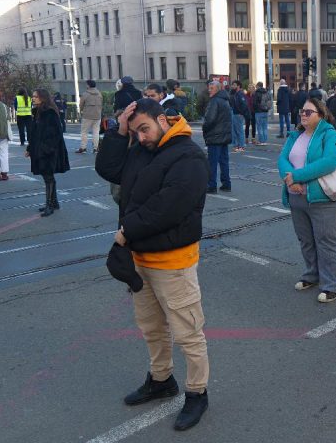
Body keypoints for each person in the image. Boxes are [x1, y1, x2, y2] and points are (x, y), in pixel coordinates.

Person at [95, 98, 210, 431]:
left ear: (163, 120)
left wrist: (125, 232)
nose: (141, 137)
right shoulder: (141, 149)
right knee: (152, 327)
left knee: (188, 331)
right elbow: (108, 169)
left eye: (144, 128)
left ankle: (197, 392)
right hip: (140, 258)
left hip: (173, 261)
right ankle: (161, 380)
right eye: (136, 131)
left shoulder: (188, 156)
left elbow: (168, 207)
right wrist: (120, 131)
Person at [278, 98, 336, 302]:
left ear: (321, 114)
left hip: (323, 199)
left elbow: (330, 161)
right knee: (306, 240)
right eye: (302, 111)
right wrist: (290, 181)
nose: (303, 115)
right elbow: (282, 159)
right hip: (296, 197)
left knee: (328, 241)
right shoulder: (295, 135)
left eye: (309, 112)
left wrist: (297, 176)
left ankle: (333, 284)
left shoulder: (329, 134)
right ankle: (312, 275)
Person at [26, 89, 70, 217]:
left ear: (42, 98)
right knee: (48, 177)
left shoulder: (49, 113)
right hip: (41, 149)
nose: (33, 98)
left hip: (48, 151)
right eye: (32, 96)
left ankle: (50, 205)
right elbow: (34, 133)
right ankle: (53, 202)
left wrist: (45, 149)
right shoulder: (39, 112)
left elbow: (56, 133)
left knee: (48, 177)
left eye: (35, 96)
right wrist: (30, 149)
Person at [202, 80, 232, 193]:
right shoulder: (225, 100)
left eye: (212, 88)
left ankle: (211, 185)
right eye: (209, 88)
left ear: (218, 89)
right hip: (224, 135)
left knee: (212, 163)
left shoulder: (215, 101)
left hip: (215, 136)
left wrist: (205, 129)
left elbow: (210, 119)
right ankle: (226, 183)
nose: (209, 90)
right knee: (224, 161)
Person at [78, 79, 103, 153]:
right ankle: (96, 148)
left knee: (84, 132)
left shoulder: (85, 94)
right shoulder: (99, 94)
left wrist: (81, 111)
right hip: (97, 115)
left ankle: (83, 148)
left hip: (87, 116)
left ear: (88, 85)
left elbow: (81, 105)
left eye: (86, 84)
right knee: (96, 132)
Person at [229, 80, 249, 153]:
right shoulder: (236, 94)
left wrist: (241, 113)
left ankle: (241, 146)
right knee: (236, 130)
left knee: (239, 131)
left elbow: (244, 104)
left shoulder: (240, 94)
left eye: (234, 85)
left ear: (238, 86)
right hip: (235, 114)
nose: (232, 86)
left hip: (238, 114)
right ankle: (238, 145)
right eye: (232, 85)